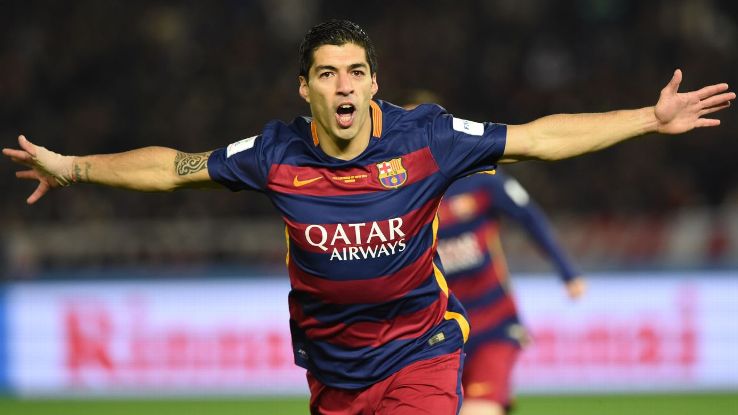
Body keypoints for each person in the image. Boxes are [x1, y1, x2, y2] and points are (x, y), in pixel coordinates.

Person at [3, 19, 734, 415]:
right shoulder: (274, 153)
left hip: (422, 350)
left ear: (374, 82)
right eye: (327, 73)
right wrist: (74, 167)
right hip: (334, 374)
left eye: (355, 71)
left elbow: (538, 139)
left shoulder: (427, 139)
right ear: (306, 88)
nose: (344, 85)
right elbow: (174, 168)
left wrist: (648, 118)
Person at [404, 92, 585, 415]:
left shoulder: (481, 180)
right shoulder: (397, 196)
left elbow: (529, 217)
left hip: (493, 323)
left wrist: (567, 272)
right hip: (435, 334)